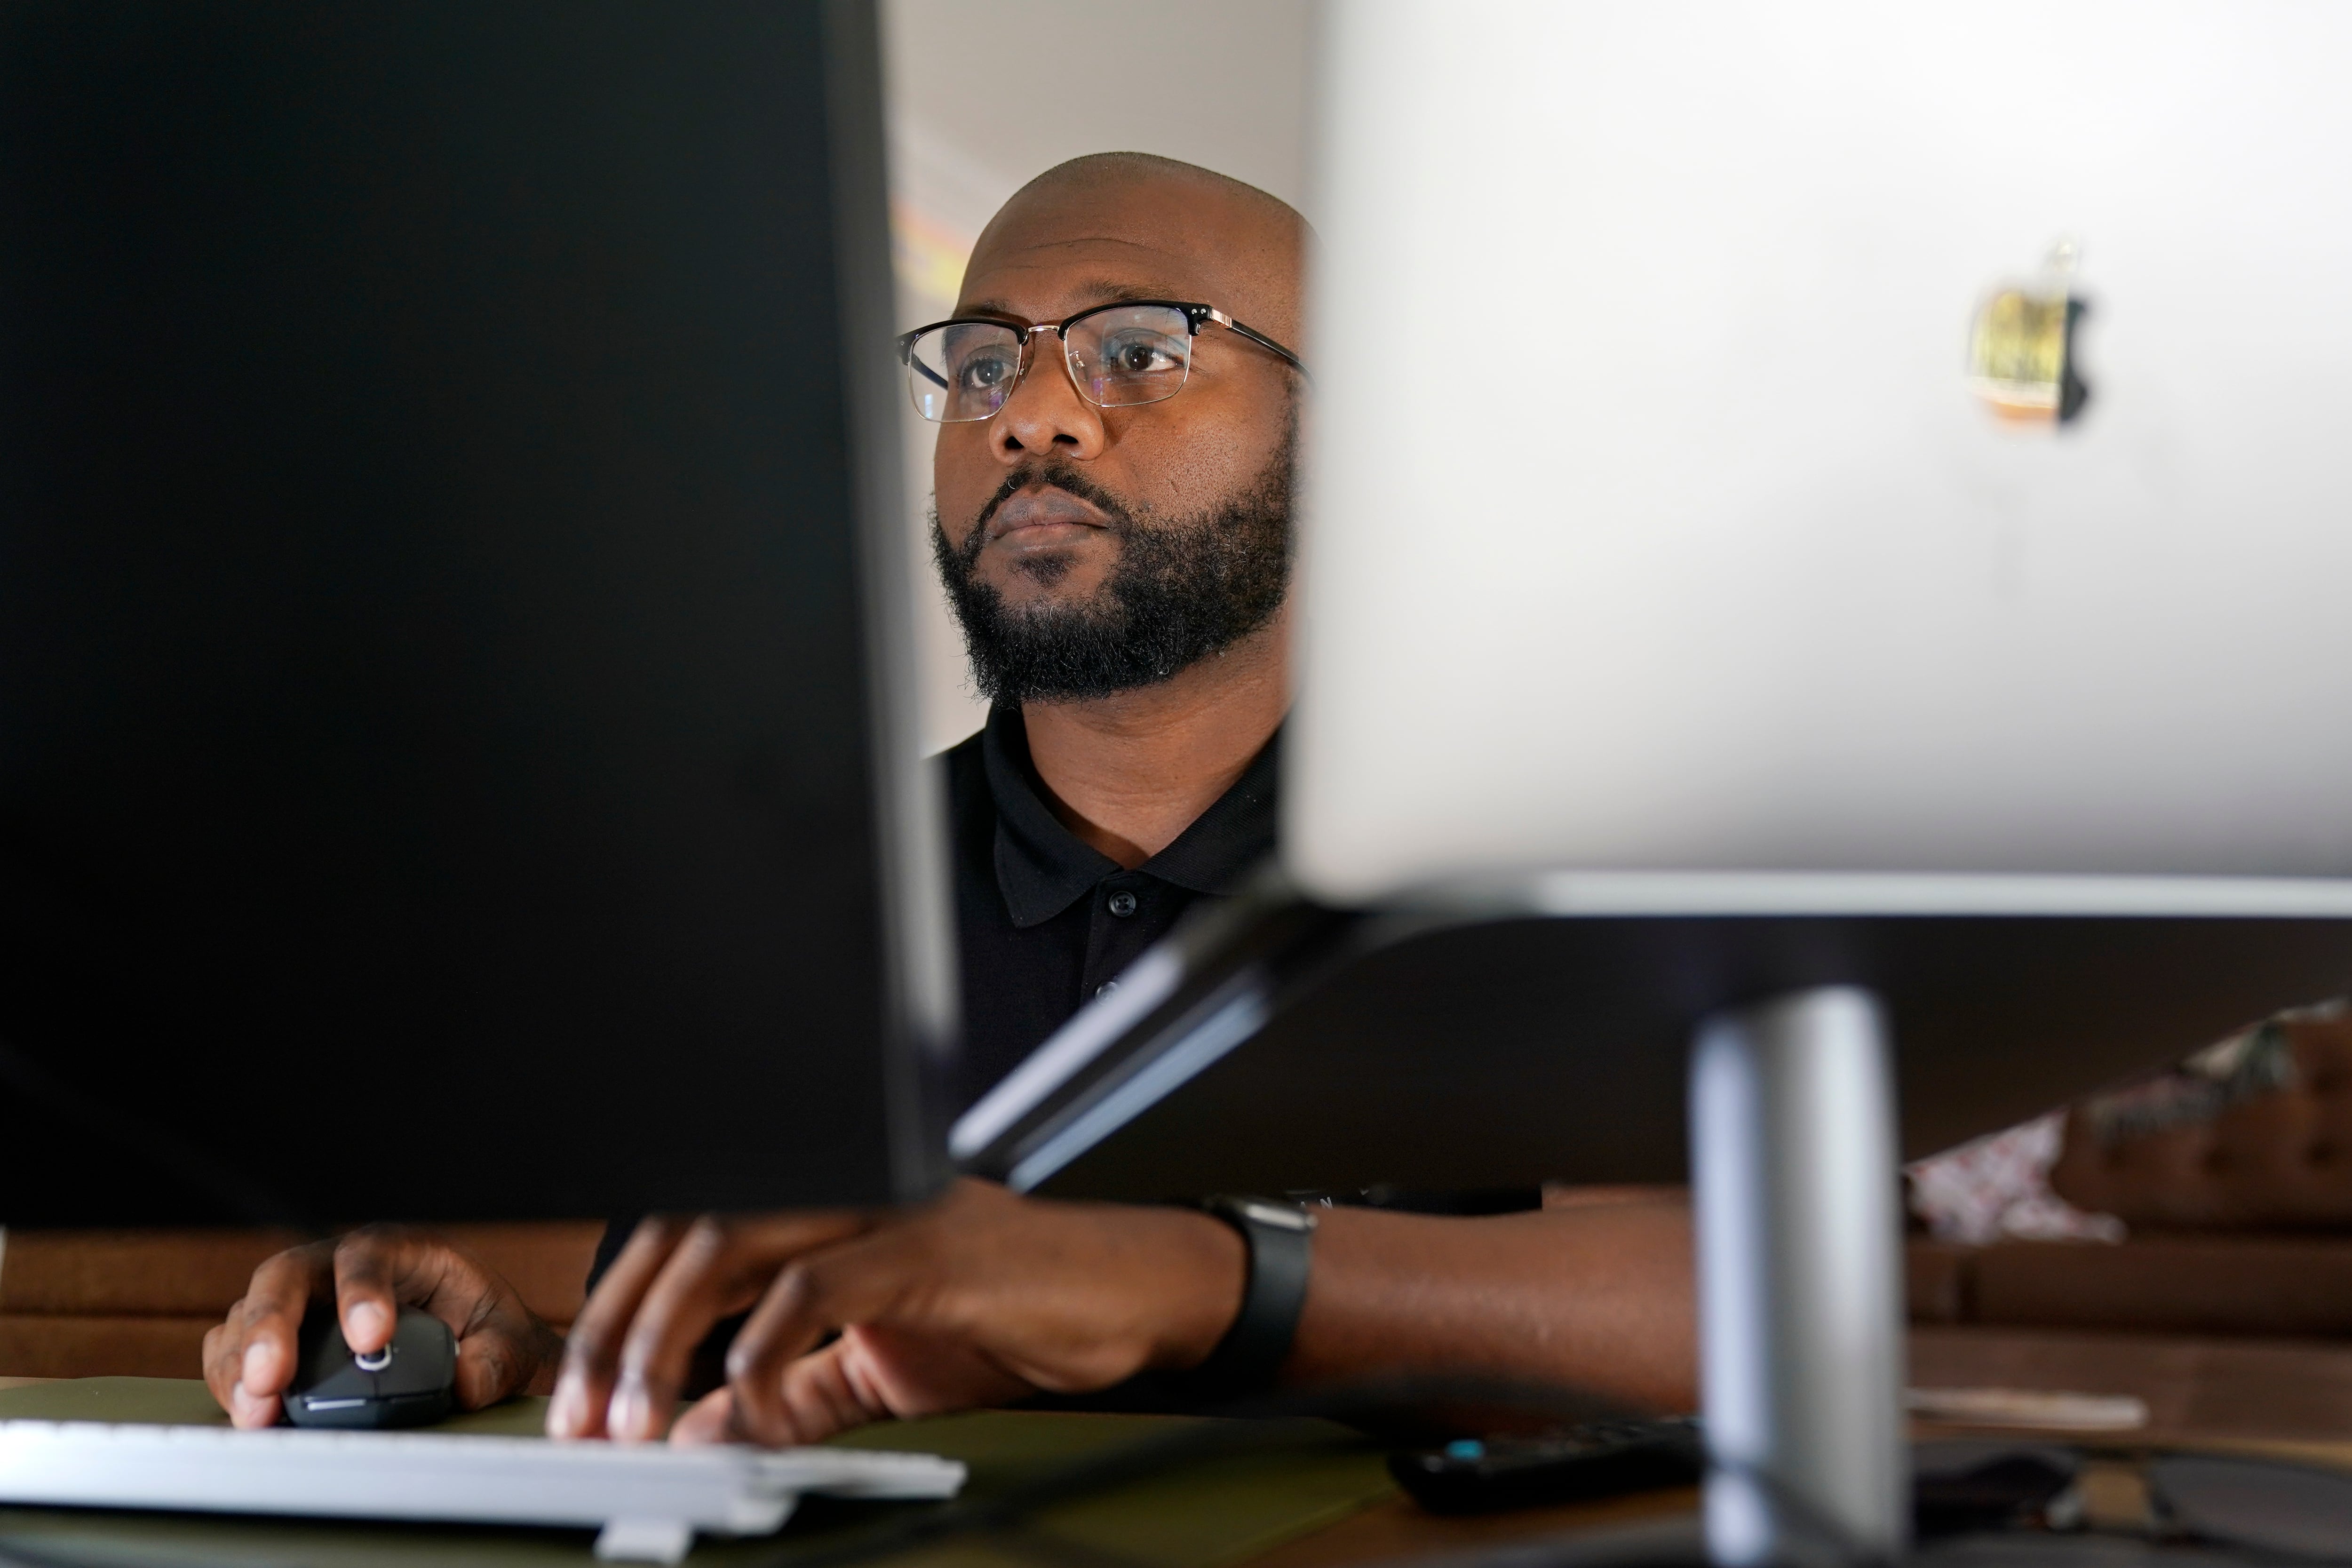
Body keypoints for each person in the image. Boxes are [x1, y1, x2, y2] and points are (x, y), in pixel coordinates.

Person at [203, 153, 1697, 1446]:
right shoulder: (791, 897)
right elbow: (690, 1373)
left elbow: (1714, 1320)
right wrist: (510, 1360)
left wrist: (1185, 1278)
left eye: (1141, 350)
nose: (1030, 416)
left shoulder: (1554, 856)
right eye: (983, 365)